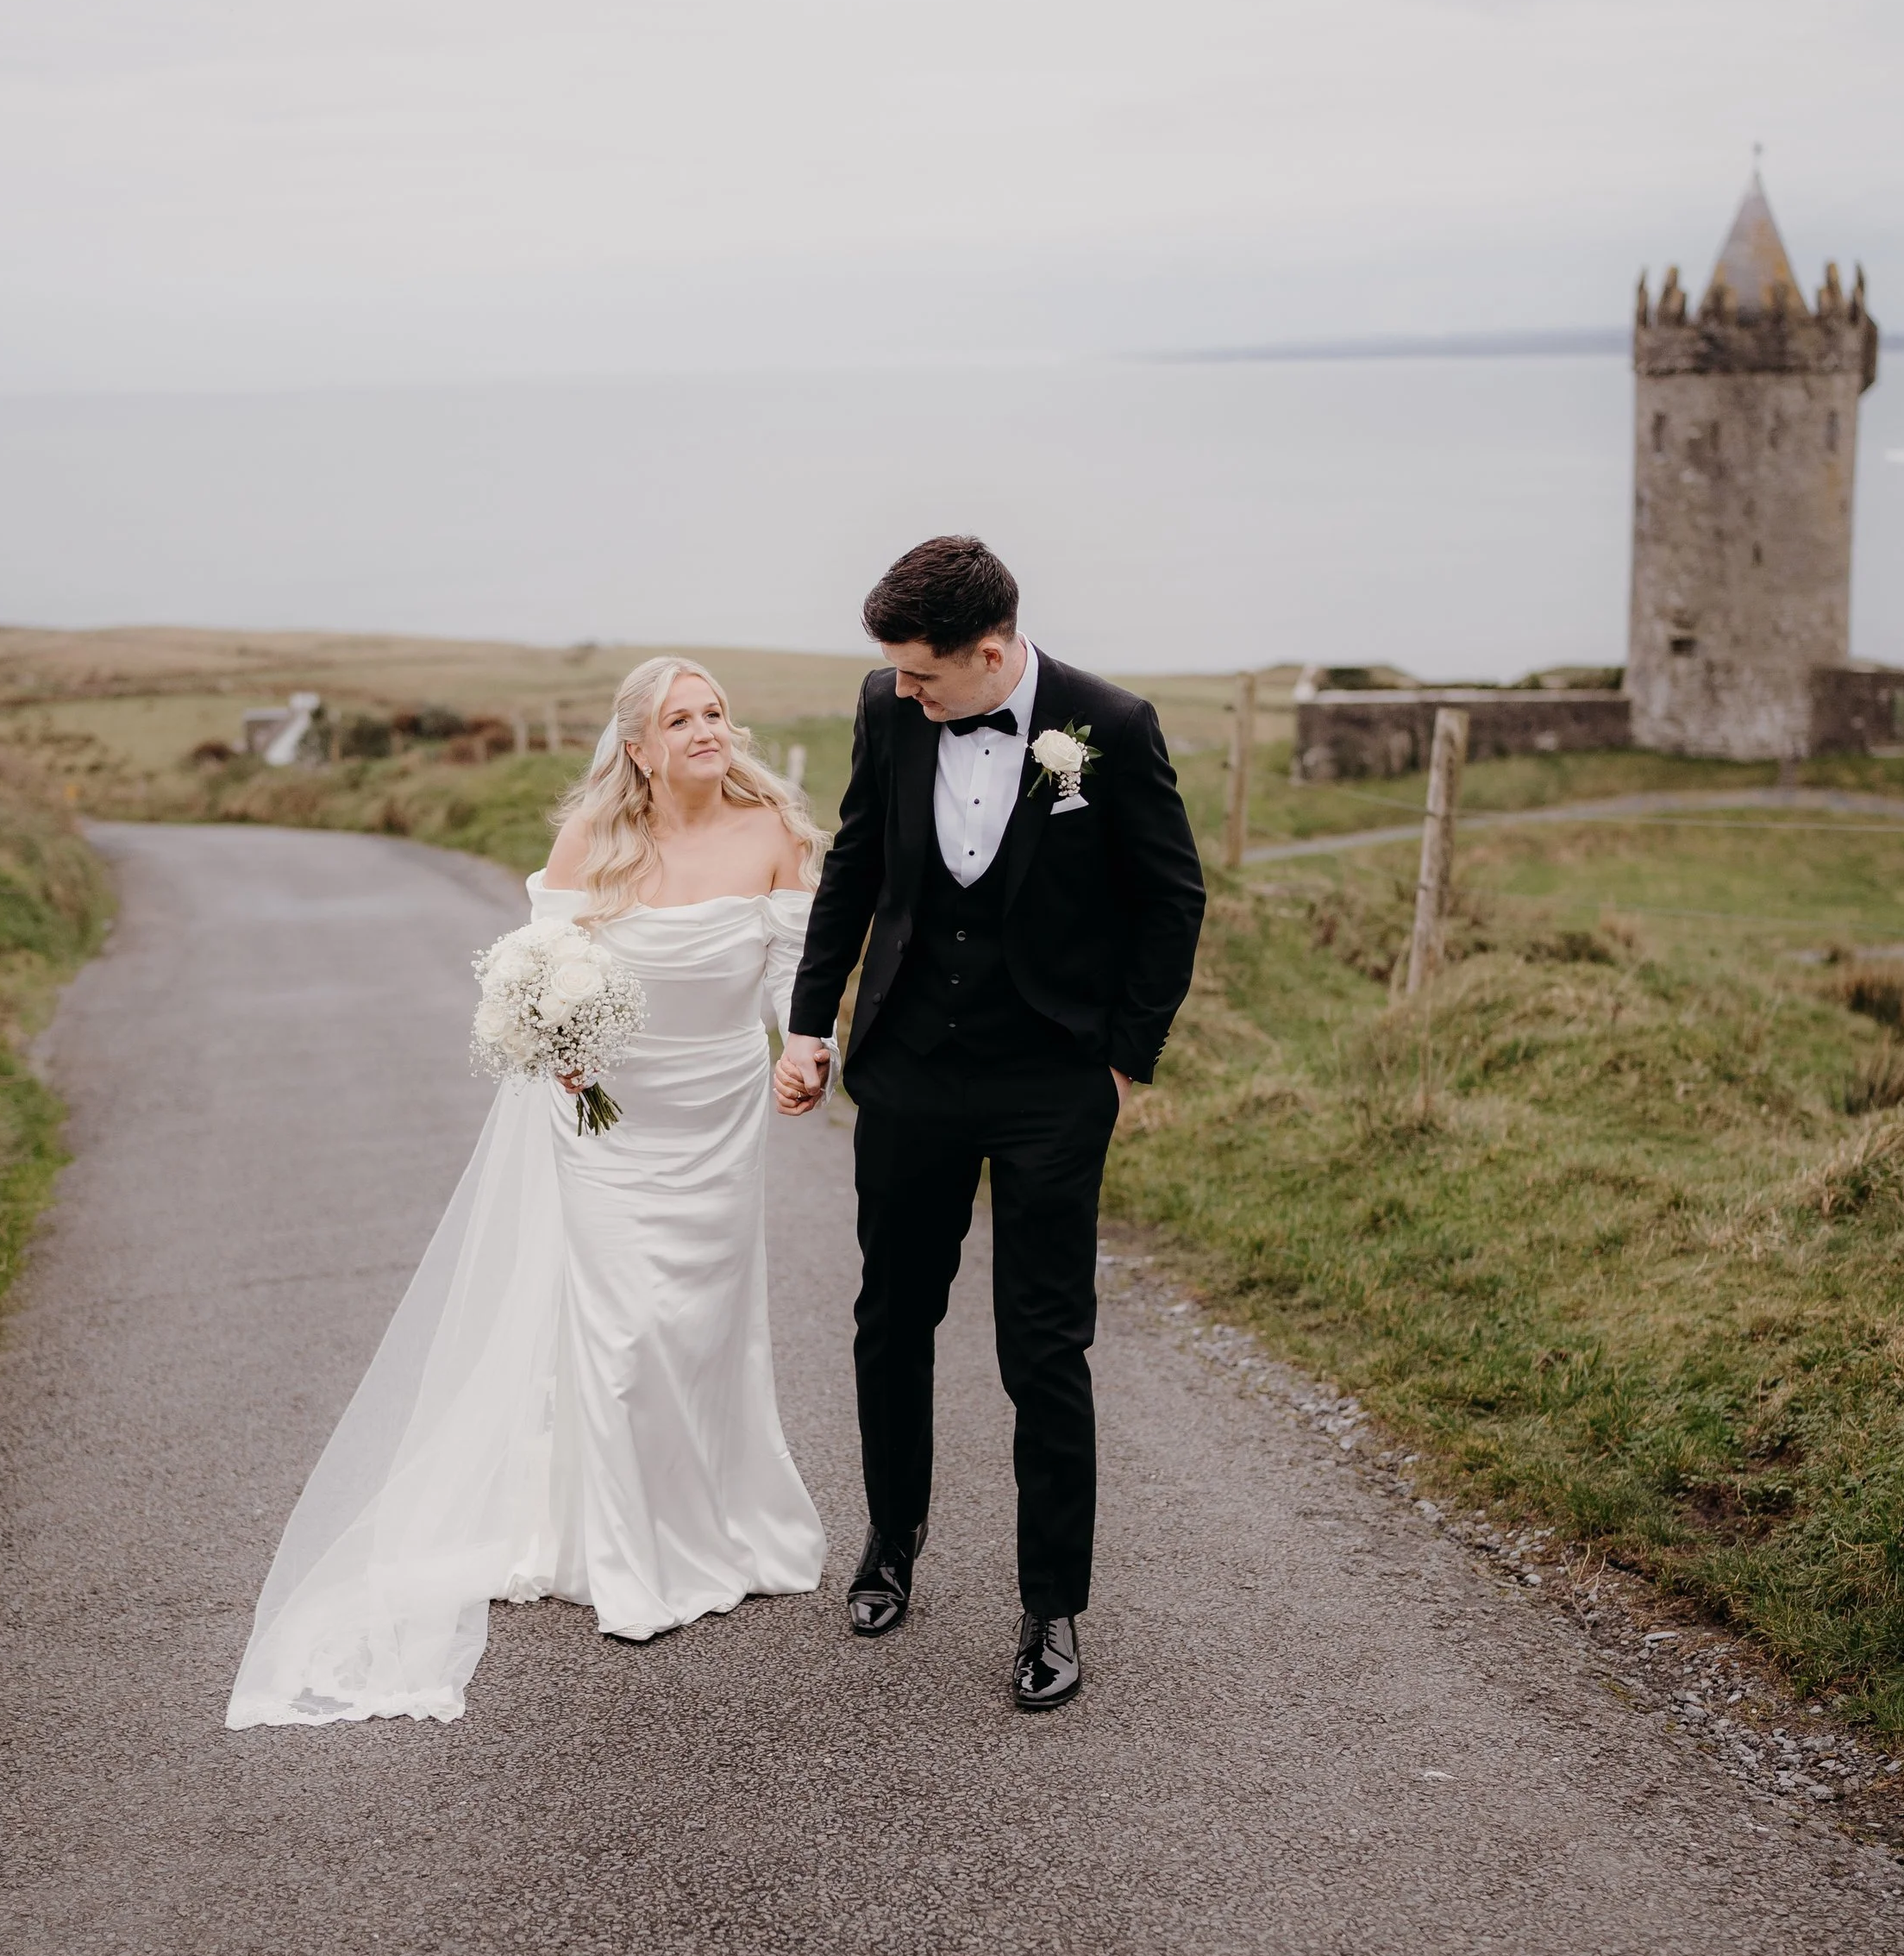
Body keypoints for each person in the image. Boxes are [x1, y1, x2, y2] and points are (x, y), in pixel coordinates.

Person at [227, 659, 828, 1728]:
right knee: (623, 1327)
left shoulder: (773, 832)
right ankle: (628, 1555)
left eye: (716, 714)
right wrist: (556, 1044)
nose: (705, 730)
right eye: (678, 719)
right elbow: (544, 970)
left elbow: (789, 976)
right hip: (608, 1115)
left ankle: (719, 1520)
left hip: (717, 1111)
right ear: (637, 747)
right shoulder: (592, 843)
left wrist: (804, 1050)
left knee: (702, 1325)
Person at [776, 536, 1204, 1711]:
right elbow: (856, 864)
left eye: (925, 676)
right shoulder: (889, 704)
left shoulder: (1105, 723)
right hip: (909, 1065)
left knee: (1043, 1346)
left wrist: (1126, 1063)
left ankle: (1051, 1604)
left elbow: (1174, 898)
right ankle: (890, 1541)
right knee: (891, 1315)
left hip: (1049, 1080)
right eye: (899, 678)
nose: (907, 695)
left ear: (992, 652)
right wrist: (810, 1022)